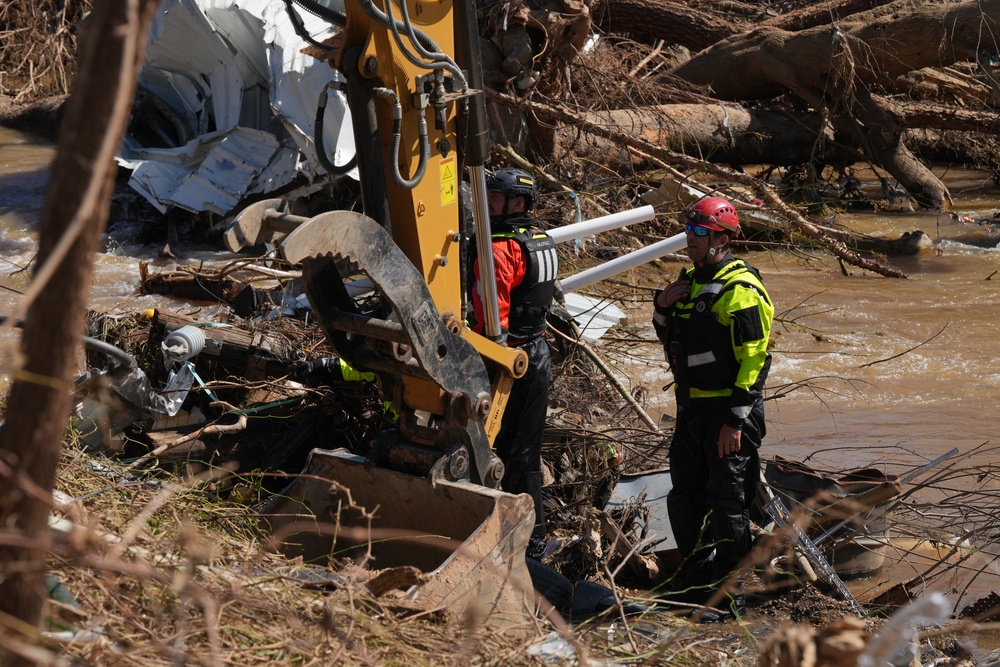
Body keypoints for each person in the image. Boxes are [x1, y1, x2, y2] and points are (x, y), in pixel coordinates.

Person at [651, 196, 773, 621]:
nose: (691, 240)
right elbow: (670, 340)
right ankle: (697, 581)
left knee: (727, 503)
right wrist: (662, 305)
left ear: (721, 238)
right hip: (691, 412)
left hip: (729, 415)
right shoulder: (687, 281)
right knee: (684, 497)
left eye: (699, 233)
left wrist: (735, 420)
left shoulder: (741, 289)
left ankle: (729, 594)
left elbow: (756, 358)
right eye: (689, 231)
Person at [470, 168, 558, 558]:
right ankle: (533, 538)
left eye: (494, 200)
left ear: (518, 204)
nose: (487, 205)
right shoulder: (541, 239)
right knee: (527, 450)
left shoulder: (501, 249)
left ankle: (523, 542)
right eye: (486, 197)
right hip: (537, 352)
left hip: (508, 360)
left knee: (497, 449)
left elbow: (493, 314)